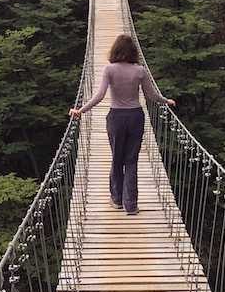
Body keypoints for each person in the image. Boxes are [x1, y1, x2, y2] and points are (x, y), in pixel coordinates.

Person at [69, 34, 175, 215]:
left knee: (117, 159)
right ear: (133, 51)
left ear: (115, 50)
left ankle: (117, 200)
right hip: (136, 117)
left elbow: (100, 95)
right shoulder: (140, 70)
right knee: (131, 160)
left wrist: (81, 110)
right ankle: (131, 205)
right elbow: (151, 95)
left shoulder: (109, 70)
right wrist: (166, 101)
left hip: (116, 118)